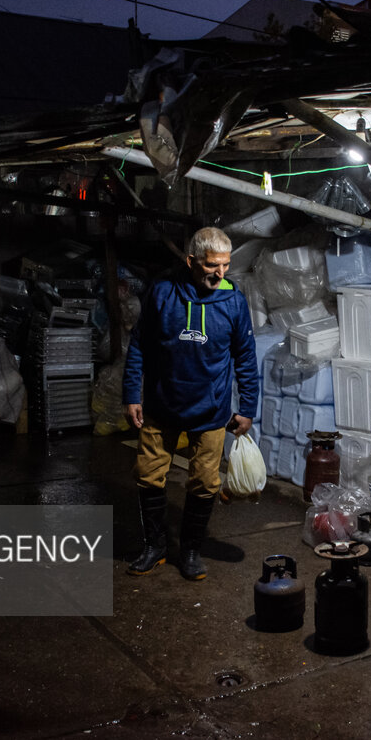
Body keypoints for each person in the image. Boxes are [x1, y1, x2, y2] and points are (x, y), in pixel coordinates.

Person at [121, 226, 259, 581]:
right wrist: (131, 394)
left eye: (226, 265)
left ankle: (191, 550)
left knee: (204, 482)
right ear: (191, 261)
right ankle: (155, 547)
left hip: (210, 411)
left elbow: (245, 357)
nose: (221, 273)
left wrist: (247, 408)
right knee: (150, 477)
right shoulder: (162, 293)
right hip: (160, 406)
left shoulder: (232, 301)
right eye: (213, 265)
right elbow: (139, 345)